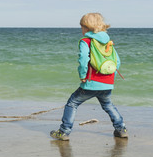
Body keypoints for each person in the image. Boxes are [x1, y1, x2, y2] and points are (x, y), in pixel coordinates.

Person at [50, 13, 128, 141]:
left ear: (87, 28)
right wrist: (110, 77)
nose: (81, 30)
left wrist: (82, 75)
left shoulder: (86, 41)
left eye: (82, 27)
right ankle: (121, 129)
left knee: (72, 103)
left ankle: (64, 132)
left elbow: (83, 59)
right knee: (108, 105)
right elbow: (117, 62)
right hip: (107, 82)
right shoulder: (108, 42)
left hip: (91, 82)